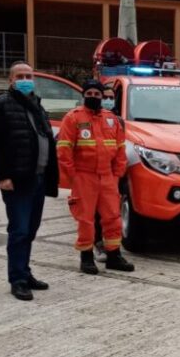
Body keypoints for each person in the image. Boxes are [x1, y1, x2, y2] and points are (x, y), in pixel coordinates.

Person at [0, 62, 58, 301]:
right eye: (21, 76)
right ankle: (17, 279)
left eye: (29, 76)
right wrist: (1, 176)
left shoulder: (37, 105)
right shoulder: (0, 105)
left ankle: (25, 272)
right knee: (19, 230)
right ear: (11, 80)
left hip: (38, 178)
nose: (26, 79)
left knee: (31, 230)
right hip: (17, 179)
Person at [57, 78, 135, 275]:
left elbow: (120, 149)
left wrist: (116, 175)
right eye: (89, 94)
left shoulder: (111, 119)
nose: (93, 97)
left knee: (112, 217)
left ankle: (114, 255)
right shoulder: (73, 118)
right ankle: (86, 257)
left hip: (108, 177)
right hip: (84, 176)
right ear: (83, 95)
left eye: (97, 94)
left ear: (102, 96)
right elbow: (64, 151)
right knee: (86, 219)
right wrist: (73, 177)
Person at [94, 84, 127, 258]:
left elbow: (121, 149)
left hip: (111, 175)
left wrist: (119, 174)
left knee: (111, 212)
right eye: (104, 97)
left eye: (110, 97)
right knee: (95, 213)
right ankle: (98, 243)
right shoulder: (89, 117)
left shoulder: (118, 121)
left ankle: (113, 248)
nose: (108, 100)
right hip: (93, 175)